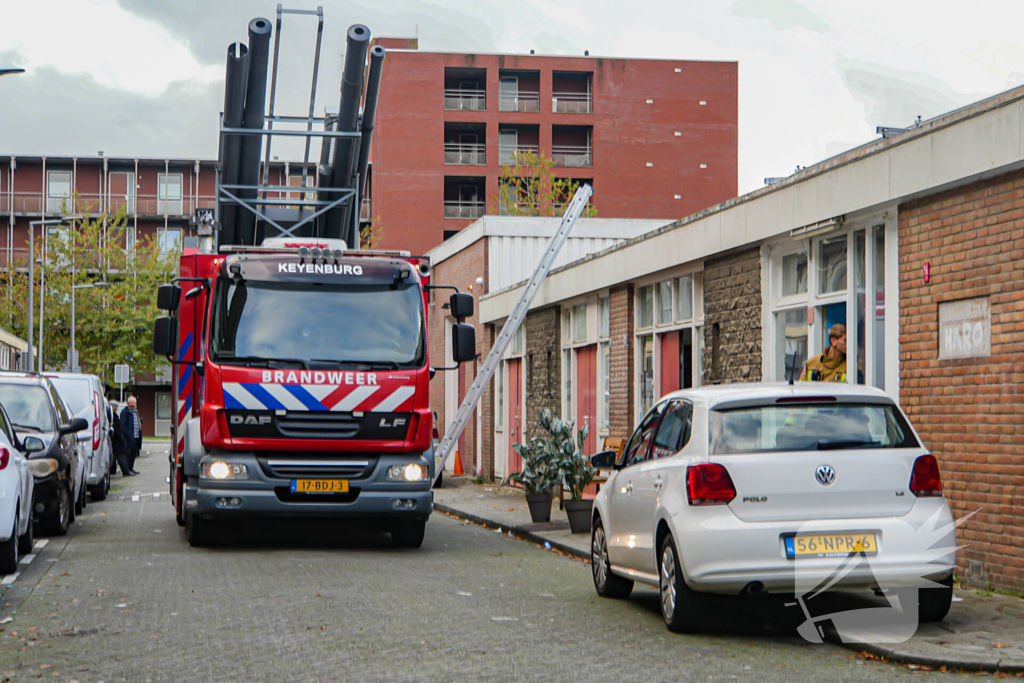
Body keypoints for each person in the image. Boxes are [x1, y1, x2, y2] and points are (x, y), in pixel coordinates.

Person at [108, 400, 135, 477]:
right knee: (120, 456)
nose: (117, 408)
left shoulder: (114, 415)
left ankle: (114, 470)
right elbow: (118, 427)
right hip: (117, 439)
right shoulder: (113, 416)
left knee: (115, 456)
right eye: (116, 406)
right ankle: (125, 471)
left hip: (116, 439)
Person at [120, 396, 143, 474]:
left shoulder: (136, 412)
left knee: (133, 454)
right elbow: (122, 425)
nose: (132, 405)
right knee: (128, 454)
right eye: (131, 403)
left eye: (134, 403)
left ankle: (131, 468)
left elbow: (139, 421)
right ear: (128, 403)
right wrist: (128, 434)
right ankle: (127, 470)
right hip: (128, 437)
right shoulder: (125, 412)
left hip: (136, 436)